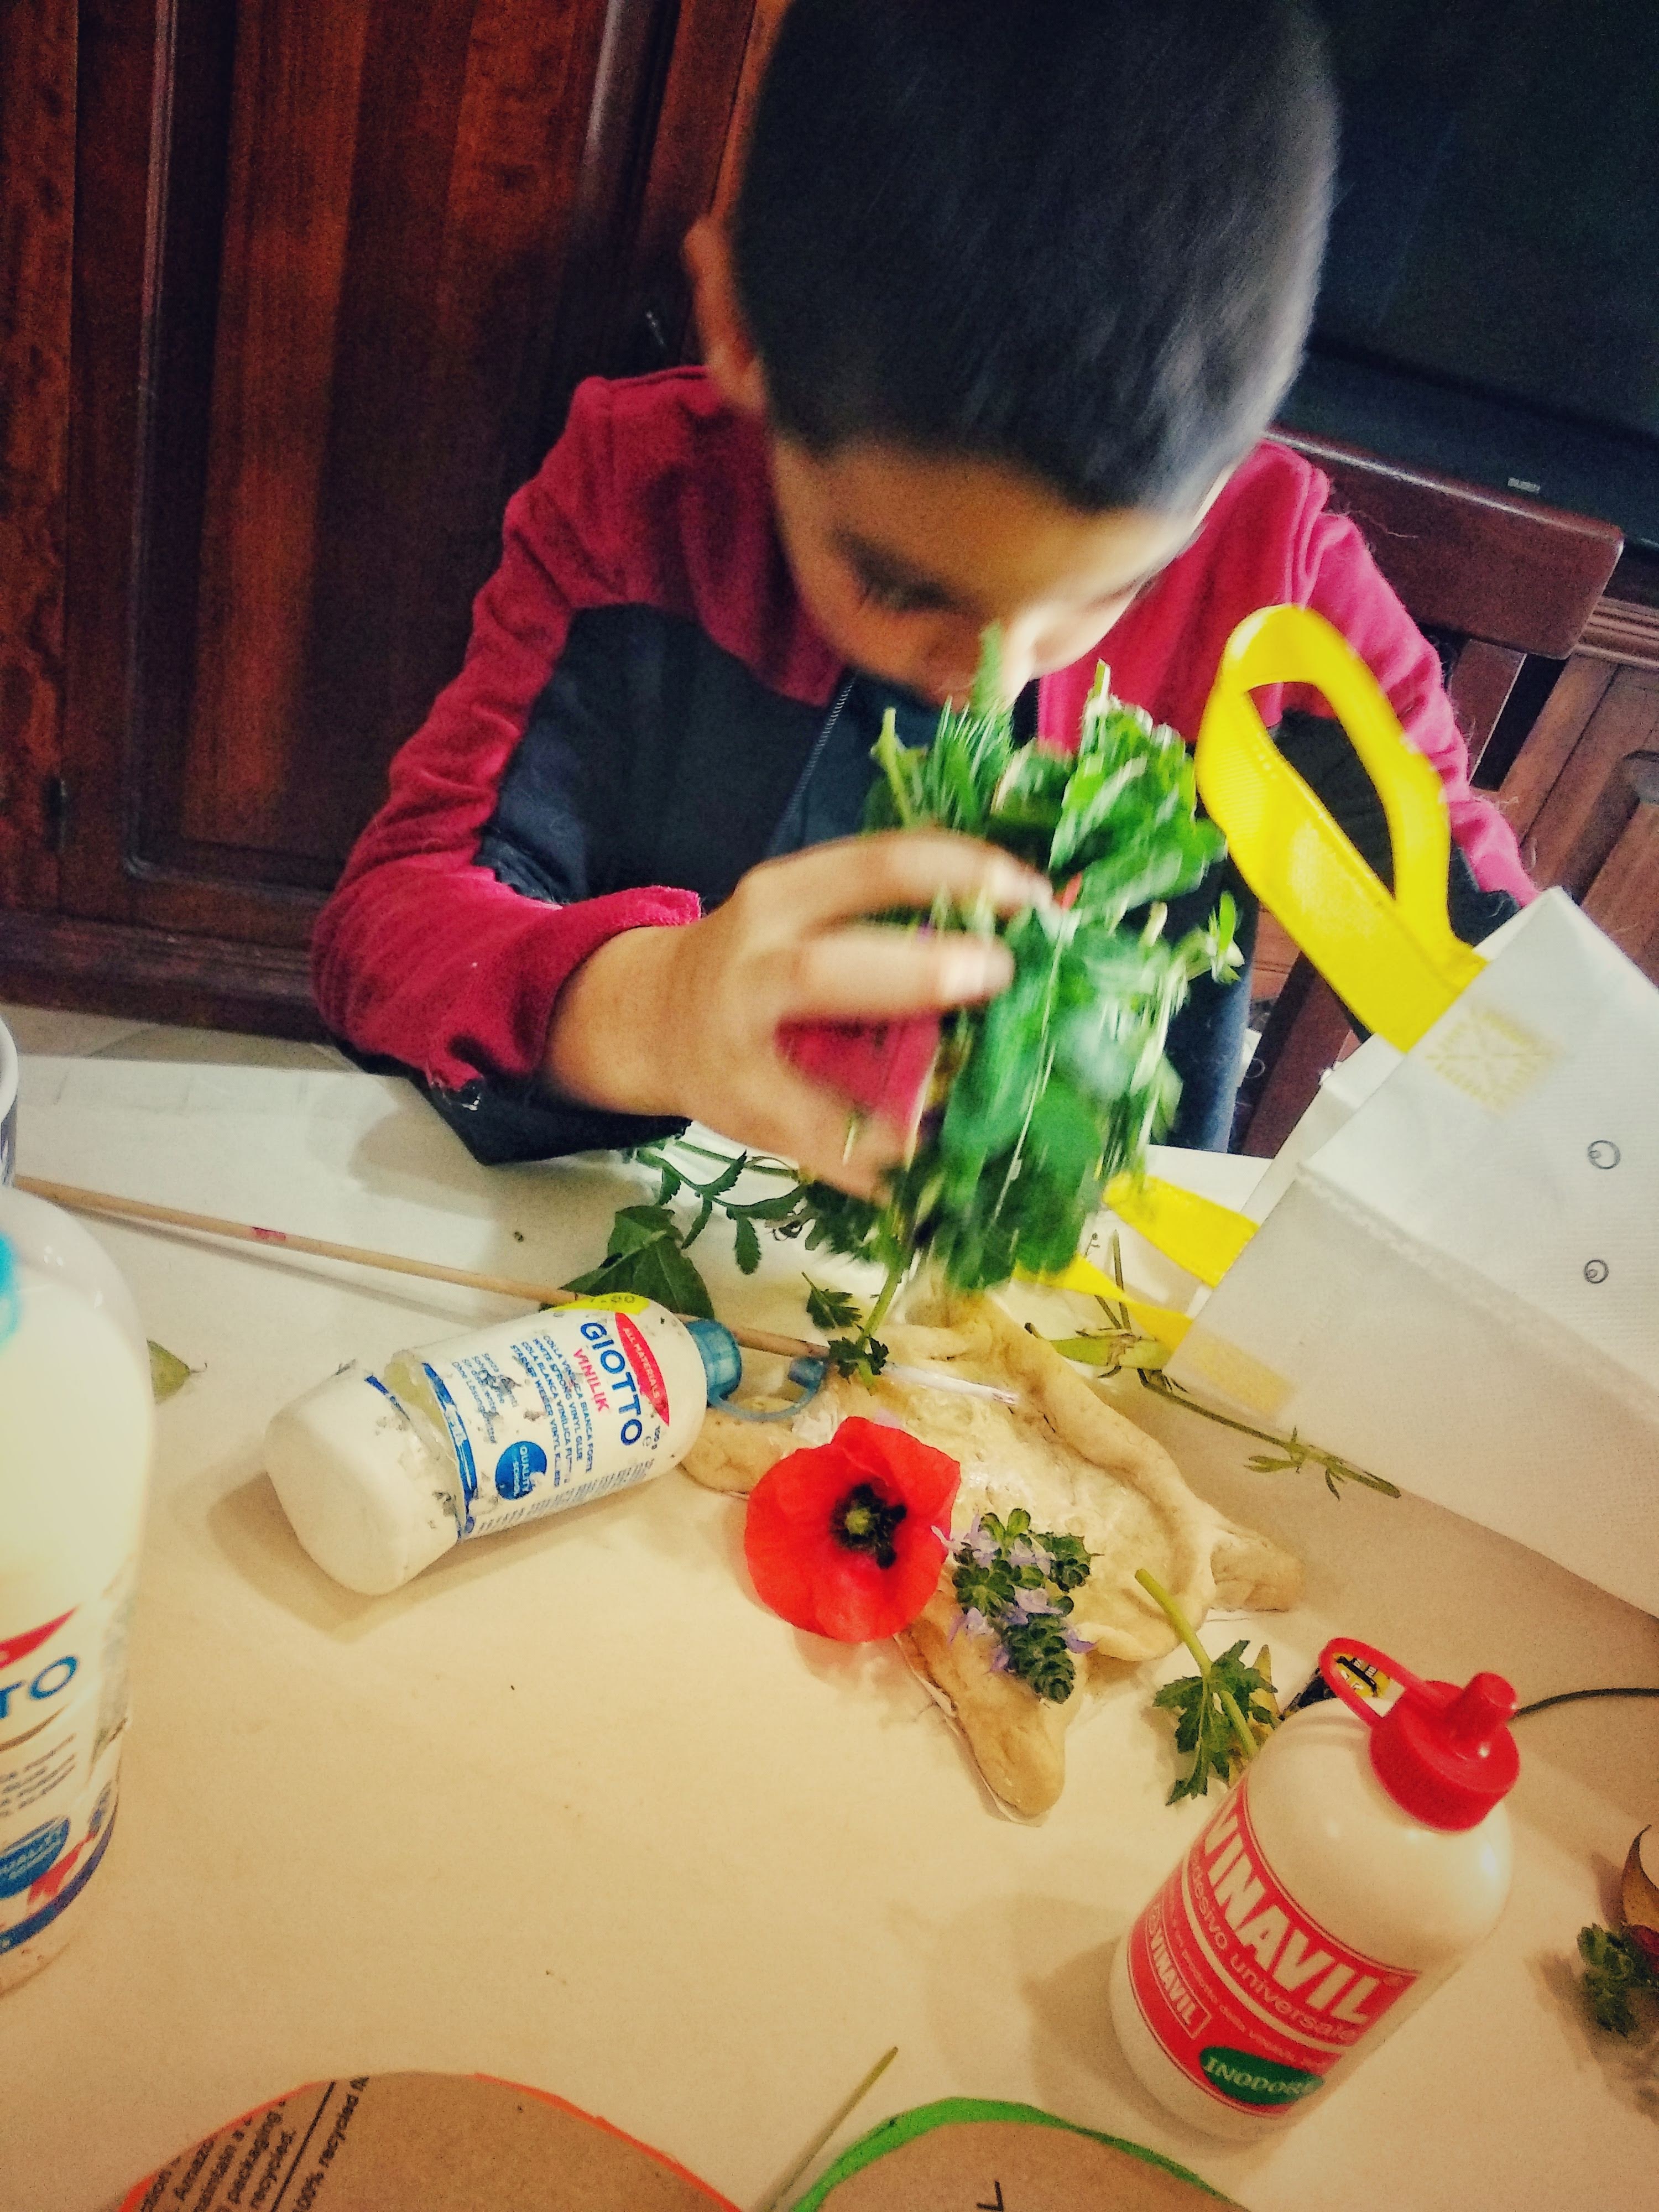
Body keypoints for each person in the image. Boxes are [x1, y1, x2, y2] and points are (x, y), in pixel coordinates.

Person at [312, 0, 1528, 1191]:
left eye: (1116, 586)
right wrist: (655, 1011)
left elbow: (1506, 1012)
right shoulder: (645, 500)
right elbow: (386, 923)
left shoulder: (1282, 595)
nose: (992, 677)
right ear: (739, 331)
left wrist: (1545, 1097)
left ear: (1227, 470)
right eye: (897, 580)